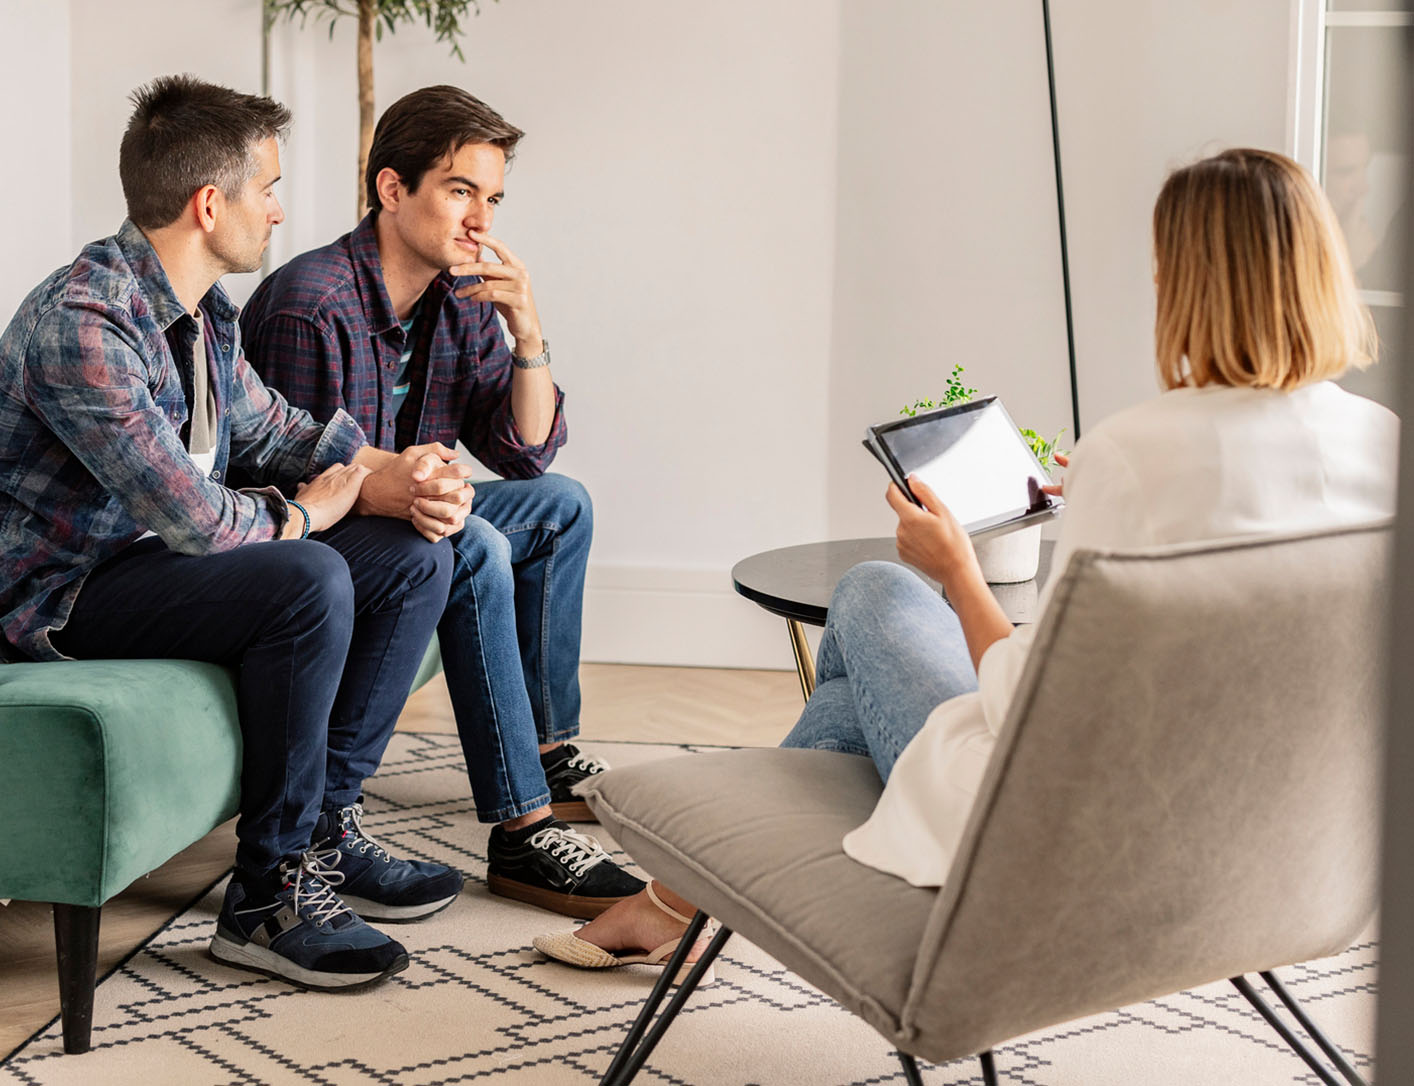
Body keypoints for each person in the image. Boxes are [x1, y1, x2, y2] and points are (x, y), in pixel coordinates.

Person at [532, 146, 1399, 973]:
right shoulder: (1382, 443)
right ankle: (676, 902)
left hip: (1059, 839)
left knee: (875, 590)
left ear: (1188, 283)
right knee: (846, 697)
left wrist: (956, 570)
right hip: (1268, 846)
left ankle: (682, 895)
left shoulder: (1137, 453)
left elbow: (1024, 697)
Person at [0, 75, 485, 993]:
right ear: (209, 204)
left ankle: (323, 833)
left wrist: (396, 473)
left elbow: (282, 433)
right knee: (307, 576)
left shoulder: (204, 317)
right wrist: (310, 513)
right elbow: (194, 518)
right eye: (268, 188)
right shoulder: (84, 323)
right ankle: (265, 898)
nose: (279, 210)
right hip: (60, 596)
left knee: (411, 556)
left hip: (145, 569)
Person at [240, 84, 644, 919]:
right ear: (392, 189)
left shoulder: (459, 297)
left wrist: (528, 333)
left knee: (560, 506)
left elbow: (523, 452)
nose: (480, 221)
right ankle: (523, 830)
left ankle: (544, 751)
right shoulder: (311, 306)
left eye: (492, 199)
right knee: (478, 546)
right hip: (319, 541)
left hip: (412, 510)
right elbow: (288, 485)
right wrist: (414, 492)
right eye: (461, 191)